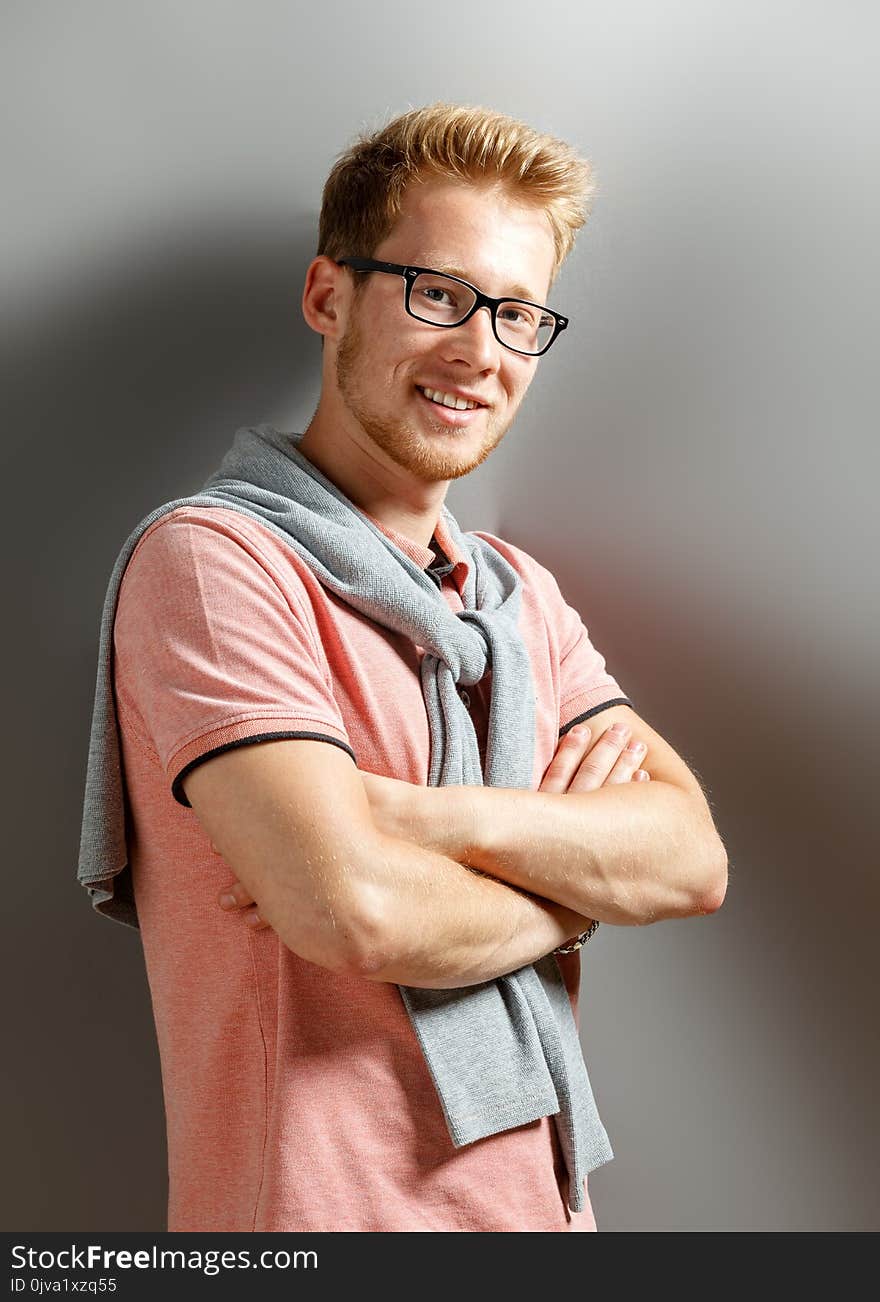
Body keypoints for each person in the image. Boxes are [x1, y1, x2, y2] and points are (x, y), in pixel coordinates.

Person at [99, 102, 727, 1233]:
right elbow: (356, 912)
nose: (480, 350)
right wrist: (572, 900)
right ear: (328, 296)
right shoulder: (215, 560)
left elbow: (687, 858)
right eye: (439, 294)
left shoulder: (514, 596)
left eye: (519, 315)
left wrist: (410, 819)